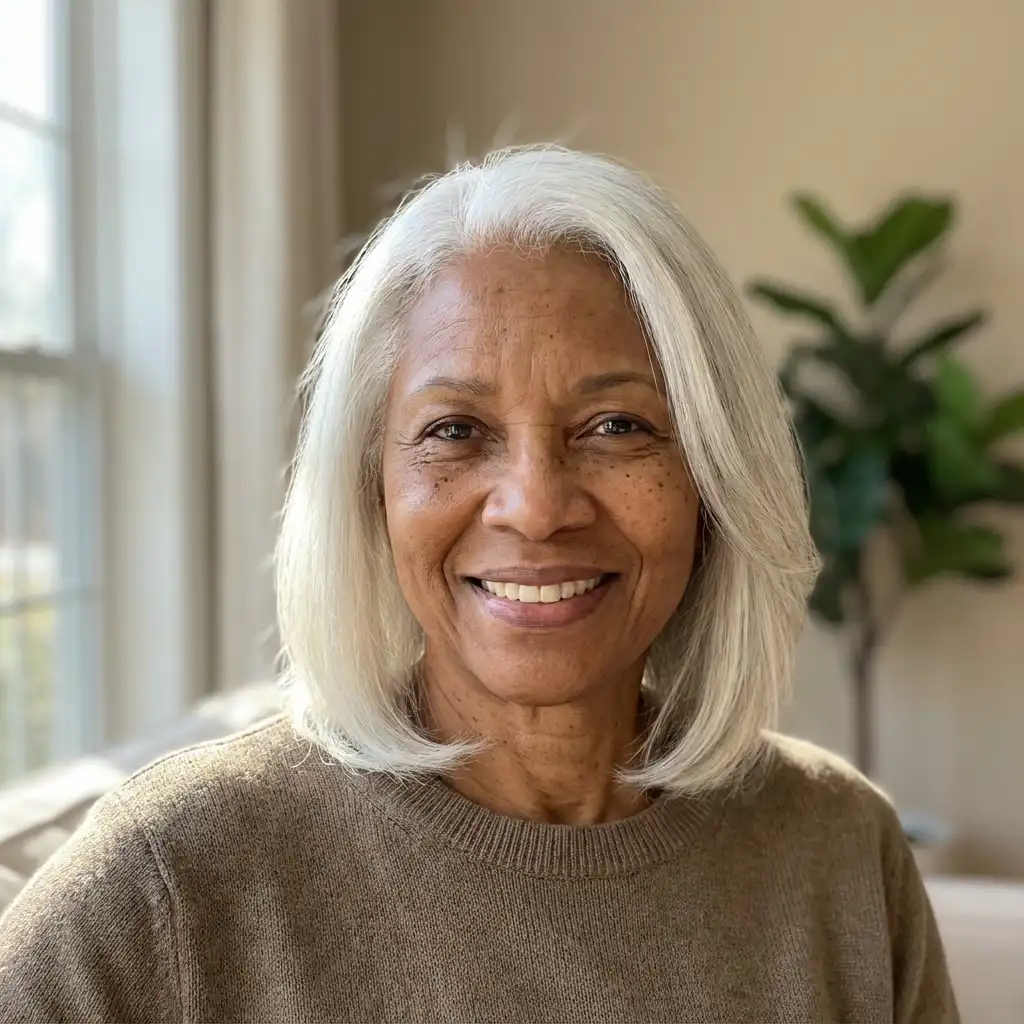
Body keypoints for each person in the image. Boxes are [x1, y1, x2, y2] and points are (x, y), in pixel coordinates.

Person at [0, 146, 957, 1023]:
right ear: (368, 487)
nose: (536, 508)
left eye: (617, 426)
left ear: (715, 476)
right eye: (455, 430)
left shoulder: (842, 853)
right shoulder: (172, 877)